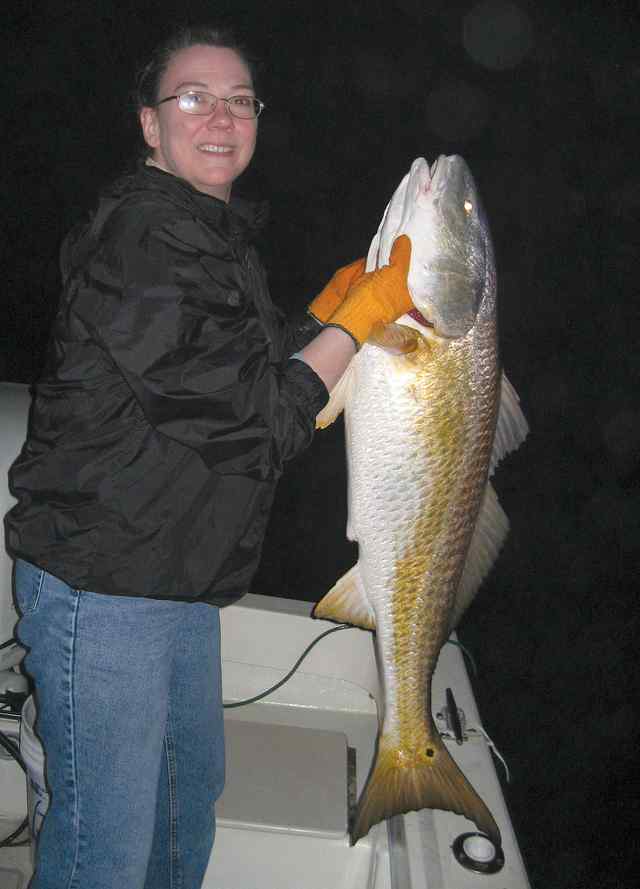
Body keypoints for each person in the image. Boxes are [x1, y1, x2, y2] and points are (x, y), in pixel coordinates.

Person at [5, 24, 413, 889]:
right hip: (105, 584)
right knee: (105, 849)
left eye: (239, 100)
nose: (219, 116)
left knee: (186, 805)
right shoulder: (143, 239)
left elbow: (229, 373)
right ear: (150, 124)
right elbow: (260, 421)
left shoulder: (204, 231)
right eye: (193, 97)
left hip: (177, 576)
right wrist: (357, 322)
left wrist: (324, 315)